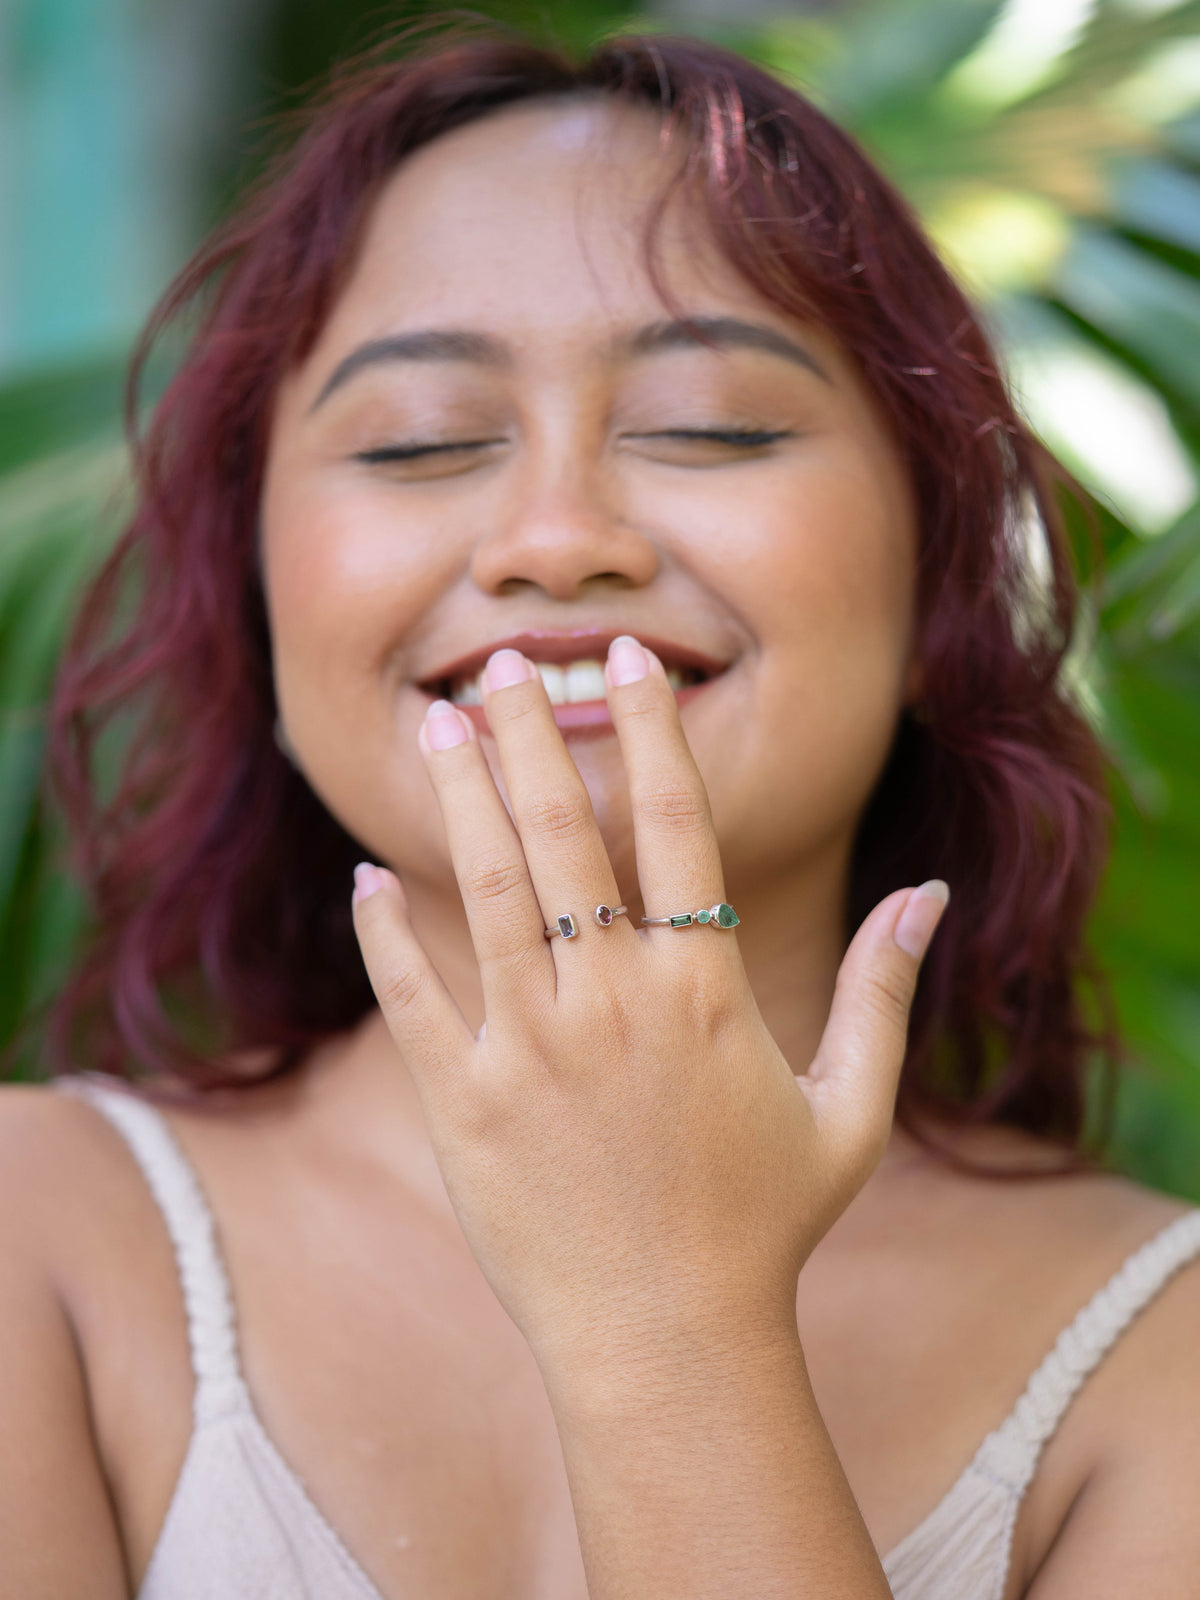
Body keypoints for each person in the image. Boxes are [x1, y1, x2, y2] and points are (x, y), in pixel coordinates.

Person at [2, 26, 1198, 1600]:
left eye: (711, 424)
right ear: (258, 598)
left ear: (936, 585)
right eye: (420, 441)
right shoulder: (39, 1238)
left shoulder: (1158, 1354)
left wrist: (670, 1312)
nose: (557, 538)